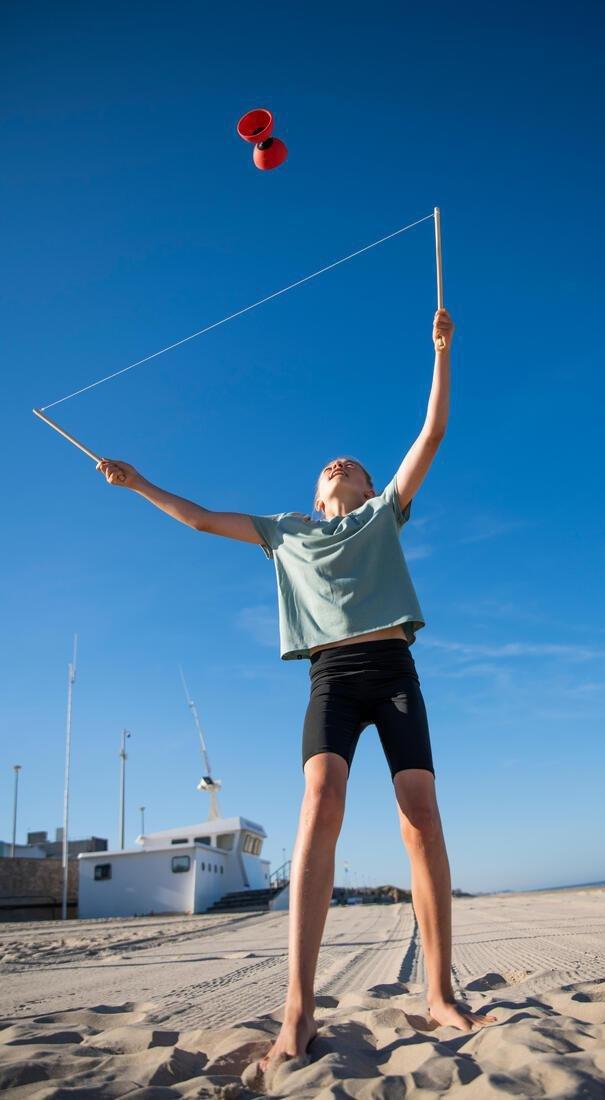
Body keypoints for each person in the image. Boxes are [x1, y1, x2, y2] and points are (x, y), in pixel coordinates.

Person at [96, 305, 496, 1078]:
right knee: (320, 798)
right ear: (316, 499)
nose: (340, 463)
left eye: (353, 462)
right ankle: (298, 1006)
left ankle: (440, 992)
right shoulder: (288, 531)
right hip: (332, 677)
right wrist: (135, 480)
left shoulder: (384, 515)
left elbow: (433, 433)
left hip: (393, 673)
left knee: (420, 817)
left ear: (376, 488)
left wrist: (441, 351)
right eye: (328, 467)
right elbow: (201, 520)